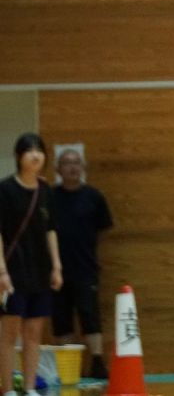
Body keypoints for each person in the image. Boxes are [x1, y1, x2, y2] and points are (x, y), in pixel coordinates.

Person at [0, 133, 63, 396]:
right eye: (29, 151)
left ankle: (29, 388)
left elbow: (51, 230)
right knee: (8, 335)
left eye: (39, 150)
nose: (35, 155)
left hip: (40, 271)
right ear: (19, 156)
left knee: (34, 334)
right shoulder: (4, 190)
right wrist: (1, 271)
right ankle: (8, 390)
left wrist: (56, 266)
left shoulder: (46, 190)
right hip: (13, 271)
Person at [51, 147, 113, 379]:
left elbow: (103, 229)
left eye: (77, 162)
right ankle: (69, 370)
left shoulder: (94, 197)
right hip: (56, 271)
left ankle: (97, 362)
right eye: (67, 163)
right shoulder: (49, 197)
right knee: (62, 319)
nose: (72, 167)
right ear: (58, 169)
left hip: (86, 269)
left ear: (83, 168)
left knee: (90, 316)